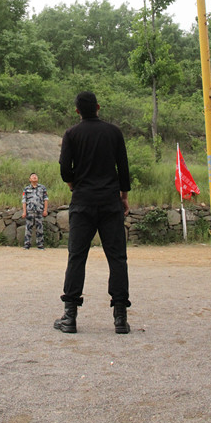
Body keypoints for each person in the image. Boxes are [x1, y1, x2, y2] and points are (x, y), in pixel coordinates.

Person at [54, 91, 131, 334]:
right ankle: (120, 318)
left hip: (83, 202)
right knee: (117, 258)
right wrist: (124, 196)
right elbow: (123, 167)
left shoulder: (71, 134)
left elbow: (65, 169)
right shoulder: (114, 132)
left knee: (77, 257)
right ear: (98, 107)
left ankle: (70, 317)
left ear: (77, 111)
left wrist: (73, 185)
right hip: (110, 202)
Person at [22, 173, 48, 250]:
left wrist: (45, 210)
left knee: (40, 228)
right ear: (29, 179)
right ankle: (27, 245)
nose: (34, 177)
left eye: (36, 176)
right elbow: (24, 201)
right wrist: (24, 212)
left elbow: (46, 199)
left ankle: (40, 245)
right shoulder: (26, 189)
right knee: (28, 228)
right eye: (32, 176)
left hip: (39, 211)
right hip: (29, 211)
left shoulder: (42, 188)